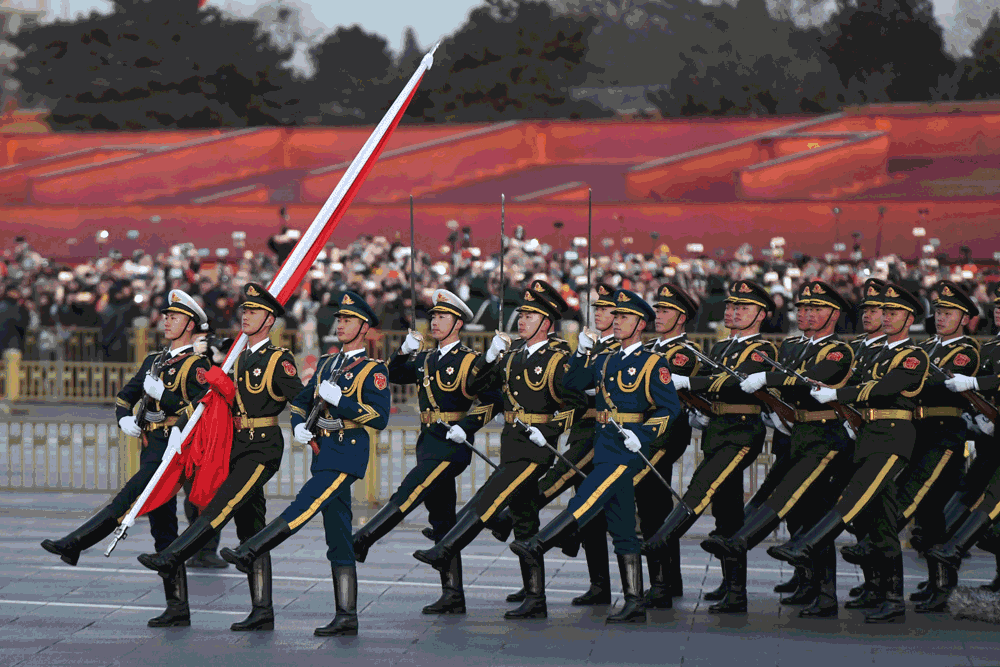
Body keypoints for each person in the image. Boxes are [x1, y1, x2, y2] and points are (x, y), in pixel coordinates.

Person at [411, 279, 586, 620]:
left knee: (488, 497)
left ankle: (445, 548)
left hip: (536, 448)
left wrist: (550, 430)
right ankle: (535, 596)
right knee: (524, 518)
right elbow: (479, 387)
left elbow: (576, 404)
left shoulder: (558, 357)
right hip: (512, 443)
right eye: (522, 314)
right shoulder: (513, 353)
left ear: (546, 322)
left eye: (530, 316)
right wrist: (490, 358)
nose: (522, 321)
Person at [219, 291, 391, 637]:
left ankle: (251, 549)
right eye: (339, 319)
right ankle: (346, 615)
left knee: (305, 503)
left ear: (364, 328)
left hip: (348, 453)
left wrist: (341, 401)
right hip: (324, 452)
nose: (340, 324)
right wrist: (299, 423)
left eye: (348, 320)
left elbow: (379, 416)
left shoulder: (373, 369)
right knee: (337, 535)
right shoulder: (327, 364)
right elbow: (300, 400)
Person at [137, 283, 304, 632]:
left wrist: (304, 425)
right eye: (244, 310)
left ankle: (173, 555)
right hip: (237, 446)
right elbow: (212, 398)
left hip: (262, 447)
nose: (246, 316)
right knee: (250, 529)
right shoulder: (237, 358)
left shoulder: (278, 359)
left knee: (221, 504)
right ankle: (262, 610)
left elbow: (300, 399)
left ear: (269, 320)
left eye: (254, 312)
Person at [509, 288, 681, 624]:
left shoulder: (652, 362)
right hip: (604, 444)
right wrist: (580, 352)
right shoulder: (606, 359)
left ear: (640, 324)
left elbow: (669, 408)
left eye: (624, 317)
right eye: (615, 316)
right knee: (621, 525)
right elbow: (572, 383)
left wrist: (644, 434)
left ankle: (540, 543)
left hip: (628, 448)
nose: (616, 321)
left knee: (587, 496)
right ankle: (634, 601)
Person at [41, 290, 211, 628]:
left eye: (175, 317)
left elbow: (202, 409)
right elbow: (125, 396)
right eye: (166, 316)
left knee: (128, 497)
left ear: (190, 325)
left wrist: (167, 397)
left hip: (174, 450)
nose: (167, 321)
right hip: (152, 445)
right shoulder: (154, 361)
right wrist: (124, 418)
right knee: (164, 529)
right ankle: (178, 607)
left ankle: (76, 543)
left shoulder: (197, 365)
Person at [770, 282, 929, 624]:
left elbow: (883, 388)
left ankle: (807, 543)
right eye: (884, 312)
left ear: (909, 319)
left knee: (856, 494)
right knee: (880, 518)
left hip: (893, 437)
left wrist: (838, 394)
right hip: (865, 435)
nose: (886, 318)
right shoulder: (872, 353)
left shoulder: (913, 355)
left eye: (894, 313)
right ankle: (888, 595)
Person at [701, 280, 855, 617]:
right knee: (802, 509)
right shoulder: (791, 347)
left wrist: (768, 381)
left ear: (833, 315)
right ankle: (809, 583)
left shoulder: (838, 351)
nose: (806, 314)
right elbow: (784, 390)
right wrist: (775, 410)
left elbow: (809, 380)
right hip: (797, 434)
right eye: (803, 308)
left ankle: (825, 593)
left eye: (814, 309)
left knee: (813, 511)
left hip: (826, 436)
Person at [351, 289, 495, 615]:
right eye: (434, 317)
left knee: (411, 489)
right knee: (442, 518)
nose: (435, 322)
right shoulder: (427, 358)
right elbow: (392, 374)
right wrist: (403, 351)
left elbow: (492, 399)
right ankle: (453, 594)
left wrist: (468, 427)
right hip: (428, 441)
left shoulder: (469, 360)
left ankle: (364, 538)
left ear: (458, 323)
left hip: (452, 444)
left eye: (443, 317)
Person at [641, 280, 778, 614]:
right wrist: (697, 406)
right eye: (731, 306)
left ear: (761, 315)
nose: (733, 312)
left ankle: (661, 538)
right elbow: (711, 386)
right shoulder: (720, 348)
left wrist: (690, 382)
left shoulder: (762, 349)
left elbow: (735, 382)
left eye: (742, 308)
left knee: (702, 484)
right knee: (726, 510)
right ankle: (734, 588)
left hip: (742, 430)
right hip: (718, 430)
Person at [491, 282, 620, 607]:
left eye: (608, 310)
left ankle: (523, 525)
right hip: (582, 429)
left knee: (560, 484)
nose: (599, 314)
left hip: (607, 432)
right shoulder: (585, 346)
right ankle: (594, 584)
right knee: (589, 514)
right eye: (598, 308)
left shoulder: (619, 349)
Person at [878, 280, 979, 612]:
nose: (941, 318)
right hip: (921, 434)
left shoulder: (966, 351)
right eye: (939, 312)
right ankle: (936, 582)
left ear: (964, 319)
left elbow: (940, 384)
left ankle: (944, 585)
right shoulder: (926, 349)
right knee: (929, 513)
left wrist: (911, 378)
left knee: (928, 507)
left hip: (945, 435)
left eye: (949, 313)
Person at [635, 283, 700, 607]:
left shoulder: (684, 352)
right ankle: (668, 581)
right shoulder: (650, 349)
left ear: (681, 317)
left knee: (652, 509)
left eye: (665, 311)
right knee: (654, 507)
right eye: (657, 310)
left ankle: (661, 584)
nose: (657, 316)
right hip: (645, 433)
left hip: (667, 434)